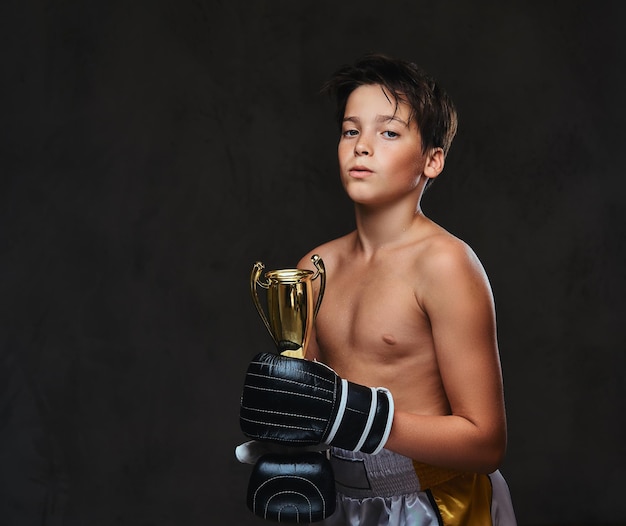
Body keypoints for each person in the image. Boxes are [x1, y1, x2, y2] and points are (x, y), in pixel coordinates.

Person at [238, 53, 516, 525]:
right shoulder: (315, 267)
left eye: (388, 132)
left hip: (432, 505)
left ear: (432, 160)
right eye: (351, 131)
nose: (362, 146)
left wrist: (360, 416)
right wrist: (280, 444)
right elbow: (310, 407)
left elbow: (486, 443)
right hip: (339, 506)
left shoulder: (446, 264)